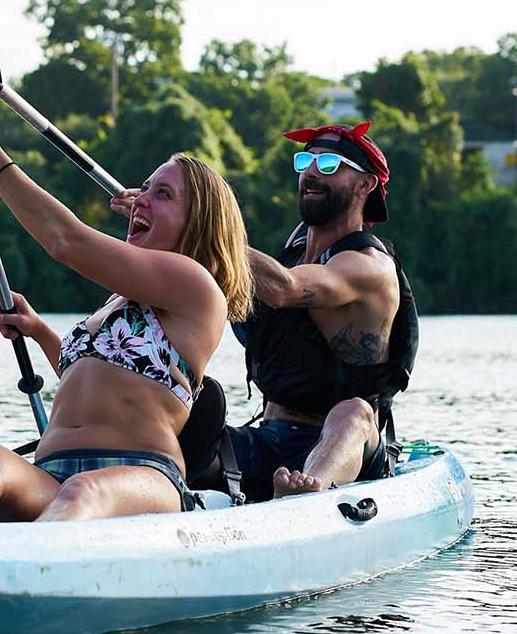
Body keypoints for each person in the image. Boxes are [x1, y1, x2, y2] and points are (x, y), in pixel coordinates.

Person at [0, 104, 253, 522]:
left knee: (85, 491)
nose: (141, 199)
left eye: (163, 194)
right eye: (145, 188)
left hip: (142, 476)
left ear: (200, 222)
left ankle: (22, 576)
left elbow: (67, 241)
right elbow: (92, 381)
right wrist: (39, 330)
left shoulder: (196, 286)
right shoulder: (117, 302)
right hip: (51, 476)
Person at [179, 121, 417, 500]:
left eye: (328, 165)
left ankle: (310, 491)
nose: (310, 172)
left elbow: (285, 290)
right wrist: (158, 220)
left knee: (352, 412)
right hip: (267, 442)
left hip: (347, 446)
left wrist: (201, 227)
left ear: (364, 184)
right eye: (305, 160)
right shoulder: (291, 252)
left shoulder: (369, 266)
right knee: (184, 417)